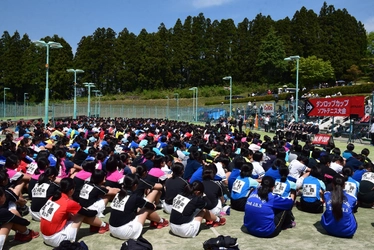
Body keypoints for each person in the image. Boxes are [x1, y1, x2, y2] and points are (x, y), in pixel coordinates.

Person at [40, 178, 109, 247]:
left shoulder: (52, 198)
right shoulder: (68, 203)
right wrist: (96, 210)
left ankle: (96, 226)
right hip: (58, 240)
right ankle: (103, 225)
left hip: (45, 237)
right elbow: (88, 213)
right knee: (81, 214)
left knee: (73, 212)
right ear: (71, 190)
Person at [109, 174, 165, 240]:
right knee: (146, 209)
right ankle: (161, 221)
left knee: (139, 209)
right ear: (135, 185)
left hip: (112, 230)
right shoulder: (135, 197)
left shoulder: (119, 194)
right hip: (124, 232)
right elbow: (150, 206)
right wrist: (153, 205)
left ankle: (156, 221)